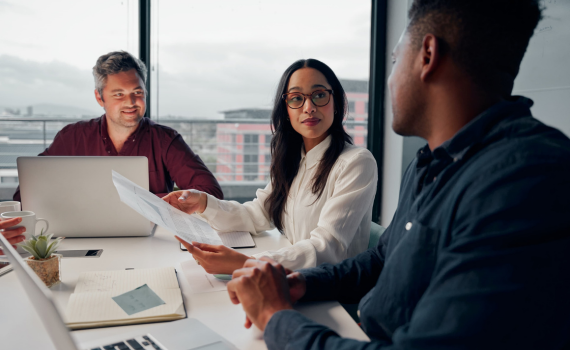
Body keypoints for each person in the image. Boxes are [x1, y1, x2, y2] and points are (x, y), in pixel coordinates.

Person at [224, 1, 570, 349]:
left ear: (427, 55)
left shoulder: (524, 181)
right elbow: (382, 258)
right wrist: (304, 283)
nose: (389, 78)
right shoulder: (430, 163)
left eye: (393, 60)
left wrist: (275, 317)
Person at [163, 59, 378, 274]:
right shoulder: (294, 159)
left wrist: (246, 263)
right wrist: (203, 203)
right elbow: (258, 214)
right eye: (296, 98)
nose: (309, 107)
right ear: (286, 110)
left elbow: (327, 248)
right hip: (288, 278)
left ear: (336, 102)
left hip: (329, 292)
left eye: (319, 95)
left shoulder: (356, 163)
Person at [13, 51, 222, 200]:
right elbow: (28, 192)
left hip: (150, 239)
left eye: (137, 93)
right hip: (82, 234)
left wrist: (143, 203)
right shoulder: (72, 137)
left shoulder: (165, 140)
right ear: (99, 97)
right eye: (118, 94)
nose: (130, 103)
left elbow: (210, 193)